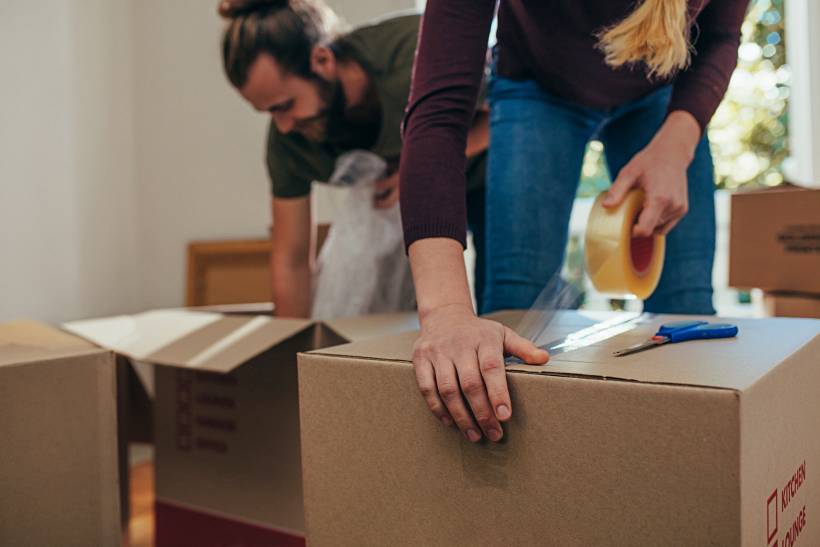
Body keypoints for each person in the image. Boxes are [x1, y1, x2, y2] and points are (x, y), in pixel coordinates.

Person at [399, 0, 748, 443]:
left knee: (687, 305)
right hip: (538, 82)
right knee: (515, 314)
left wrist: (678, 143)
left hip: (664, 86)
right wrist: (445, 311)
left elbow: (719, 36)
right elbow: (439, 111)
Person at [218, 0, 489, 317]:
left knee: (499, 299)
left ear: (322, 59)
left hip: (484, 175)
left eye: (285, 105)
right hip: (408, 212)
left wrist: (416, 174)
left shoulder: (411, 56)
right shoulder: (288, 142)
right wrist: (291, 352)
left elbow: (504, 112)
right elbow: (291, 260)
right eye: (268, 112)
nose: (283, 125)